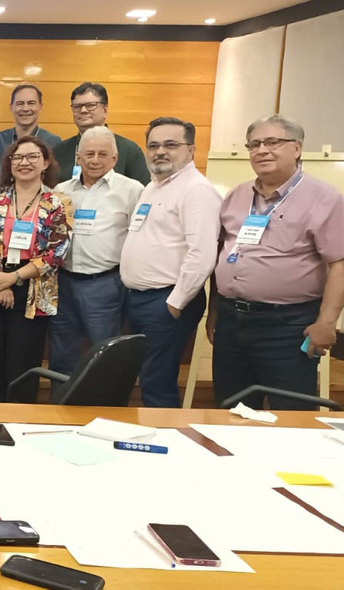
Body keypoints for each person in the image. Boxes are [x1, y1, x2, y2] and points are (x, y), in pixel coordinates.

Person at [208, 114, 344, 410]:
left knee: (291, 413)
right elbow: (223, 254)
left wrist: (326, 323)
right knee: (233, 411)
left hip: (287, 326)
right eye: (254, 144)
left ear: (297, 148)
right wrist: (214, 311)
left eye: (272, 142)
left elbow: (340, 265)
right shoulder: (237, 195)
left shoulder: (325, 198)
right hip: (231, 320)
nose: (262, 150)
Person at [120, 117, 220, 408]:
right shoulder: (152, 187)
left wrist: (175, 303)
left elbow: (202, 254)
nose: (160, 151)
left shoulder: (196, 190)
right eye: (153, 146)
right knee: (147, 375)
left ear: (191, 150)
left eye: (171, 145)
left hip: (167, 299)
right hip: (140, 298)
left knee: (157, 380)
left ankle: (166, 433)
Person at [0, 136, 72, 403]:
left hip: (34, 291)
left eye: (32, 156)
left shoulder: (58, 202)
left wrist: (13, 278)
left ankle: (18, 420)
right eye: (18, 157)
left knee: (23, 367)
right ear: (10, 163)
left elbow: (57, 251)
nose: (24, 162)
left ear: (45, 163)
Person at [48, 126, 144, 383]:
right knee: (61, 353)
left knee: (104, 355)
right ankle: (60, 404)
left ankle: (103, 406)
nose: (95, 160)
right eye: (89, 154)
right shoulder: (61, 190)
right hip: (63, 281)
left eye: (102, 154)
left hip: (104, 284)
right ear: (78, 158)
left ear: (115, 158)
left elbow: (140, 236)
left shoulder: (132, 190)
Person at [52, 82, 150, 186]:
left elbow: (143, 190)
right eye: (77, 106)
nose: (83, 110)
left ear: (105, 110)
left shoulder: (129, 150)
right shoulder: (59, 151)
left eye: (91, 105)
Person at [0, 84, 63, 160]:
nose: (25, 109)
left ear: (40, 106)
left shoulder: (53, 142)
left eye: (31, 103)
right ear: (11, 107)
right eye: (20, 104)